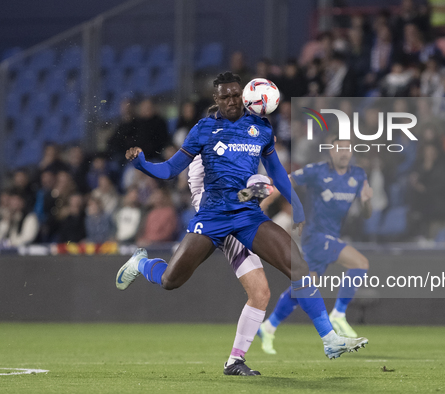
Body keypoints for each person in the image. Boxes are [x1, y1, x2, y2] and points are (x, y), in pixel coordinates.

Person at [114, 72, 368, 376]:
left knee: (294, 269)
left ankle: (328, 340)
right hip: (212, 217)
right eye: (226, 97)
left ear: (245, 96)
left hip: (247, 216)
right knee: (171, 280)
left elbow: (276, 172)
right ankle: (141, 264)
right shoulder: (203, 131)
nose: (233, 101)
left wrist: (297, 207)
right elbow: (170, 170)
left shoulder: (259, 127)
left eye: (237, 95)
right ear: (216, 100)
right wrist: (142, 163)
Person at [258, 138, 373, 354]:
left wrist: (367, 201)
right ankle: (338, 314)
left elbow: (367, 214)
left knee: (304, 287)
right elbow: (284, 181)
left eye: (347, 149)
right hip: (315, 236)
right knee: (360, 263)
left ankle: (269, 326)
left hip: (330, 235)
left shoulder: (358, 175)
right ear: (331, 152)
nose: (344, 153)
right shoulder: (316, 171)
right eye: (339, 149)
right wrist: (264, 202)